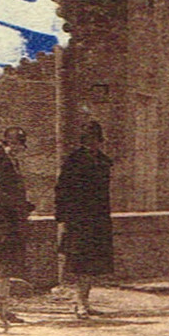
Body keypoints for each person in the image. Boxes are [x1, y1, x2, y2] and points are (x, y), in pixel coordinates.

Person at [55, 121, 114, 319]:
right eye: (89, 140)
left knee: (94, 264)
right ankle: (79, 303)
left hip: (98, 219)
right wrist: (63, 218)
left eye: (96, 140)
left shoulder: (103, 161)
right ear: (84, 141)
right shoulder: (74, 161)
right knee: (81, 262)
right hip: (78, 219)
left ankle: (85, 302)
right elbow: (62, 190)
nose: (93, 144)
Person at [0, 127, 34, 325]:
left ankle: (3, 309)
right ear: (6, 143)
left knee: (5, 267)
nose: (17, 148)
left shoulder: (12, 162)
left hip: (11, 220)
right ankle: (0, 311)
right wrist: (19, 206)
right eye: (14, 144)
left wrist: (23, 206)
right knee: (1, 267)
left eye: (20, 145)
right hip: (2, 221)